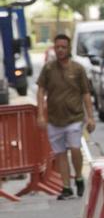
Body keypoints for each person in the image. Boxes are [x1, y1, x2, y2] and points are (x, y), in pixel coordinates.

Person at [37, 33, 95, 200]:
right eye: (57, 47)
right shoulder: (48, 69)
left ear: (69, 48)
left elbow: (85, 94)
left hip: (74, 118)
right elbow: (41, 91)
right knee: (60, 153)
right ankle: (66, 186)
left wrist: (90, 117)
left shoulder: (77, 69)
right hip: (54, 119)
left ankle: (78, 177)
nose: (60, 50)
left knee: (75, 148)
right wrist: (41, 114)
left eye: (63, 47)